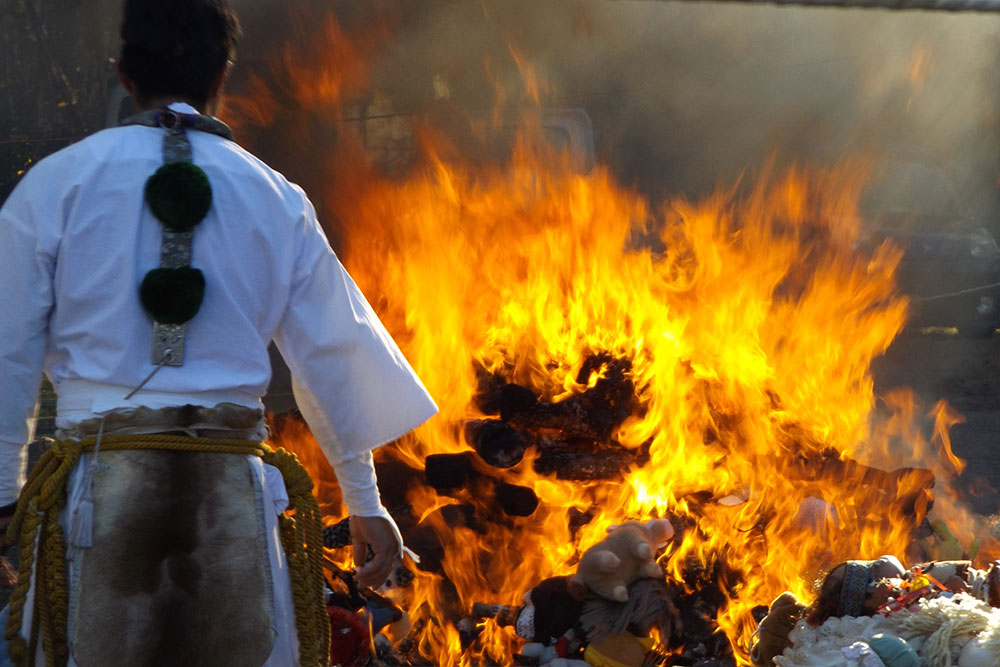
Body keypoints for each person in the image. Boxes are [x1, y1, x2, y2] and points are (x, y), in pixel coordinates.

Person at [0, 0, 437, 665]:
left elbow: (8, 354)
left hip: (95, 501)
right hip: (232, 510)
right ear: (222, 76)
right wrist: (364, 502)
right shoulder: (277, 196)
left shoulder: (56, 184)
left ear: (123, 74)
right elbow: (329, 362)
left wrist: (5, 502)